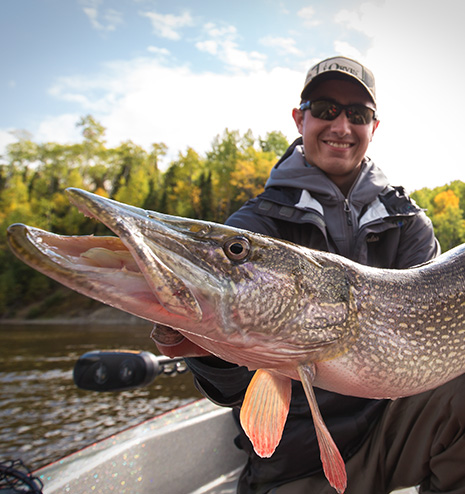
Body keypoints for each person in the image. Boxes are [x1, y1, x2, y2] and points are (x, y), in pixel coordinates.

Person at [154, 56, 465, 493]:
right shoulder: (254, 229)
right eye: (325, 109)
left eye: (357, 114)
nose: (341, 125)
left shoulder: (407, 222)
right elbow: (228, 389)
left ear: (373, 128)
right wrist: (208, 351)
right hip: (294, 465)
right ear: (300, 118)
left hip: (389, 434)